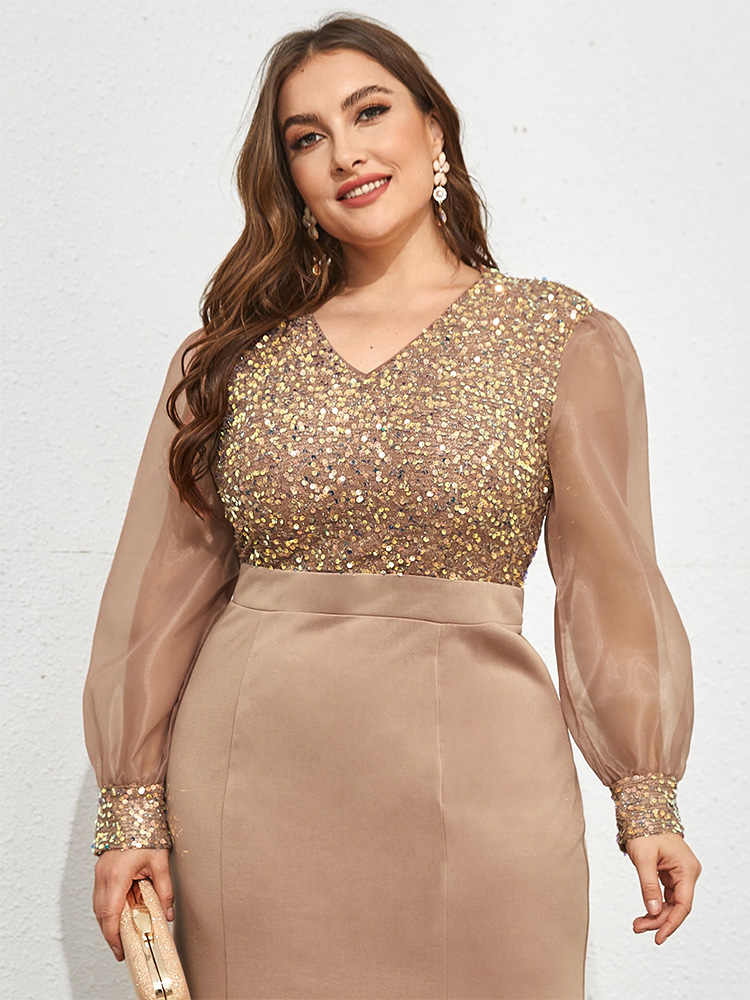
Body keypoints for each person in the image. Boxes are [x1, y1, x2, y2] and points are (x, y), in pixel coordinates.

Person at [83, 14, 701, 1000]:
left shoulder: (560, 337)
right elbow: (158, 600)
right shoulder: (229, 358)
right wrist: (130, 810)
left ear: (434, 129)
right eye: (308, 137)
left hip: (486, 794)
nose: (345, 152)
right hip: (254, 797)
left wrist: (646, 795)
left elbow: (609, 582)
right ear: (289, 176)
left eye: (369, 112)